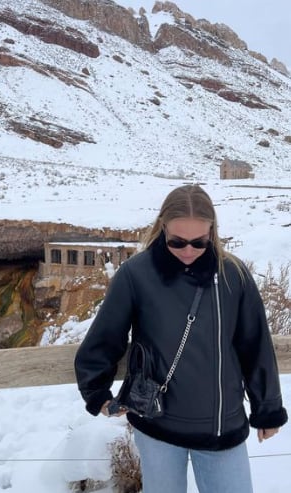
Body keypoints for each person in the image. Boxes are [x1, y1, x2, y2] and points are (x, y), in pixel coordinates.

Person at [74, 184, 288, 493]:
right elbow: (105, 337)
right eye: (177, 241)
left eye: (199, 242)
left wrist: (267, 407)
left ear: (212, 232)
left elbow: (255, 346)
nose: (188, 251)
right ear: (162, 228)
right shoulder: (136, 274)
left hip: (221, 428)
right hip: (157, 426)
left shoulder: (233, 276)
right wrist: (97, 391)